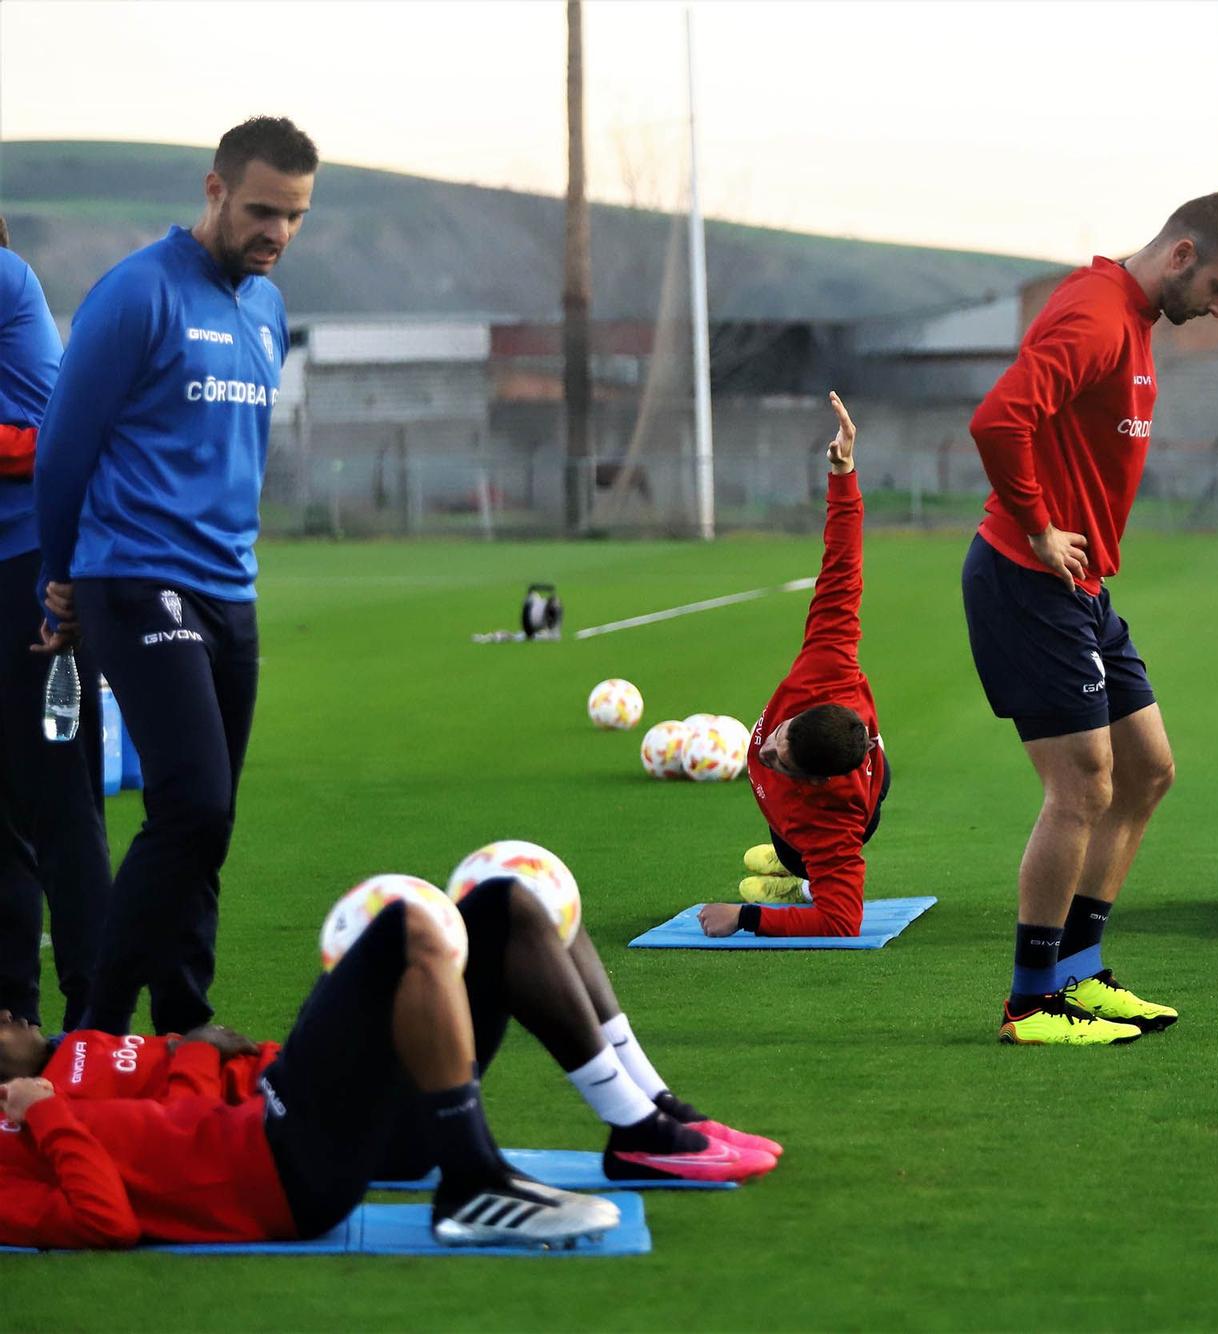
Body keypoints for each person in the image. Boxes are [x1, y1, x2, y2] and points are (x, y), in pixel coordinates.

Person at [0, 874, 779, 1251]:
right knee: (405, 928)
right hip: (282, 1164)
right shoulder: (25, 1128)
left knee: (506, 900)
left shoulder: (62, 1066)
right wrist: (47, 1115)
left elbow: (169, 1111)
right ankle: (472, 1182)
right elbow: (102, 1223)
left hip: (280, 1118)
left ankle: (643, 1115)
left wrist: (60, 1104)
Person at [33, 117, 317, 1035]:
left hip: (231, 588)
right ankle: (95, 1029)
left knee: (208, 817)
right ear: (215, 190)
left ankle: (183, 1013)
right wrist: (59, 573)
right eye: (263, 210)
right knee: (190, 798)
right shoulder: (138, 293)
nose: (277, 232)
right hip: (132, 574)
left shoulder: (268, 310)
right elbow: (62, 448)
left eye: (295, 216)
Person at [963, 193, 1218, 1045]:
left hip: (1083, 587)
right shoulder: (1098, 317)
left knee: (1147, 771)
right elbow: (997, 419)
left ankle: (1080, 973)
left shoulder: (1130, 321)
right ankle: (1030, 1003)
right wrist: (1034, 522)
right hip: (1028, 578)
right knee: (1084, 786)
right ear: (1179, 255)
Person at [697, 392, 889, 939]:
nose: (766, 749)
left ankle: (796, 875)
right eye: (780, 736)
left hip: (836, 818)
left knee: (799, 858)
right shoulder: (826, 667)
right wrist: (844, 471)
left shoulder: (830, 820)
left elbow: (843, 922)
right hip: (854, 744)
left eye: (781, 762)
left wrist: (745, 918)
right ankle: (789, 867)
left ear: (815, 781)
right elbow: (843, 568)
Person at [0, 217, 113, 1033]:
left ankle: (91, 1025)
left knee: (59, 799)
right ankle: (13, 1024)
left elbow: (48, 440)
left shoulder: (6, 278)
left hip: (30, 570)